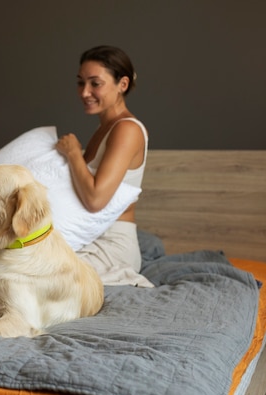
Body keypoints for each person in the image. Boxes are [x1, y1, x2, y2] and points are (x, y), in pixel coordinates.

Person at [56, 45, 153, 288]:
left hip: (111, 246)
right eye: (81, 82)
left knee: (39, 279)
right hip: (86, 237)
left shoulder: (127, 130)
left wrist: (73, 154)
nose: (85, 92)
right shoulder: (104, 129)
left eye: (95, 83)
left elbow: (96, 199)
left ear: (123, 84)